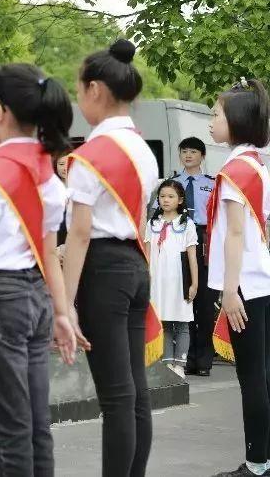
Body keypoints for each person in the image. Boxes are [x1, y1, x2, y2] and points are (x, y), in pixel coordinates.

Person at [0, 63, 77, 476]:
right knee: (37, 426)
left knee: (9, 431)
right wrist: (61, 312)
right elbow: (48, 253)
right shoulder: (48, 175)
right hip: (36, 300)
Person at [62, 39, 160, 477]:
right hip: (136, 266)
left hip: (102, 270)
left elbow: (80, 233)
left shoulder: (90, 157)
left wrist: (63, 304)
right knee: (135, 393)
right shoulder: (142, 149)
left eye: (79, 90)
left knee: (117, 398)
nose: (79, 99)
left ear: (96, 90)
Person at [206, 78, 270, 477]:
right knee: (263, 373)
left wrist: (230, 291)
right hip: (262, 279)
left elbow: (233, 234)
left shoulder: (234, 170)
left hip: (244, 283)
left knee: (252, 378)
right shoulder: (260, 166)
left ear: (237, 120)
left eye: (216, 114)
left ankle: (257, 463)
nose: (211, 121)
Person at [162, 138, 218, 377]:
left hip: (204, 240)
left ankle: (202, 360)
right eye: (184, 151)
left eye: (193, 151)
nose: (188, 155)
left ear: (202, 156)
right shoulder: (172, 184)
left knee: (205, 302)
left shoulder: (212, 184)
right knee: (184, 300)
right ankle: (182, 356)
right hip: (178, 238)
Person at [144, 179, 198, 378]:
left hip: (179, 281)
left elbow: (192, 256)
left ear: (180, 200)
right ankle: (167, 362)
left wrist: (194, 283)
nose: (165, 200)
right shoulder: (153, 223)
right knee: (164, 322)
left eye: (170, 196)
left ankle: (180, 363)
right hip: (158, 281)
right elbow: (148, 254)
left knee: (182, 322)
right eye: (162, 196)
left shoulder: (187, 225)